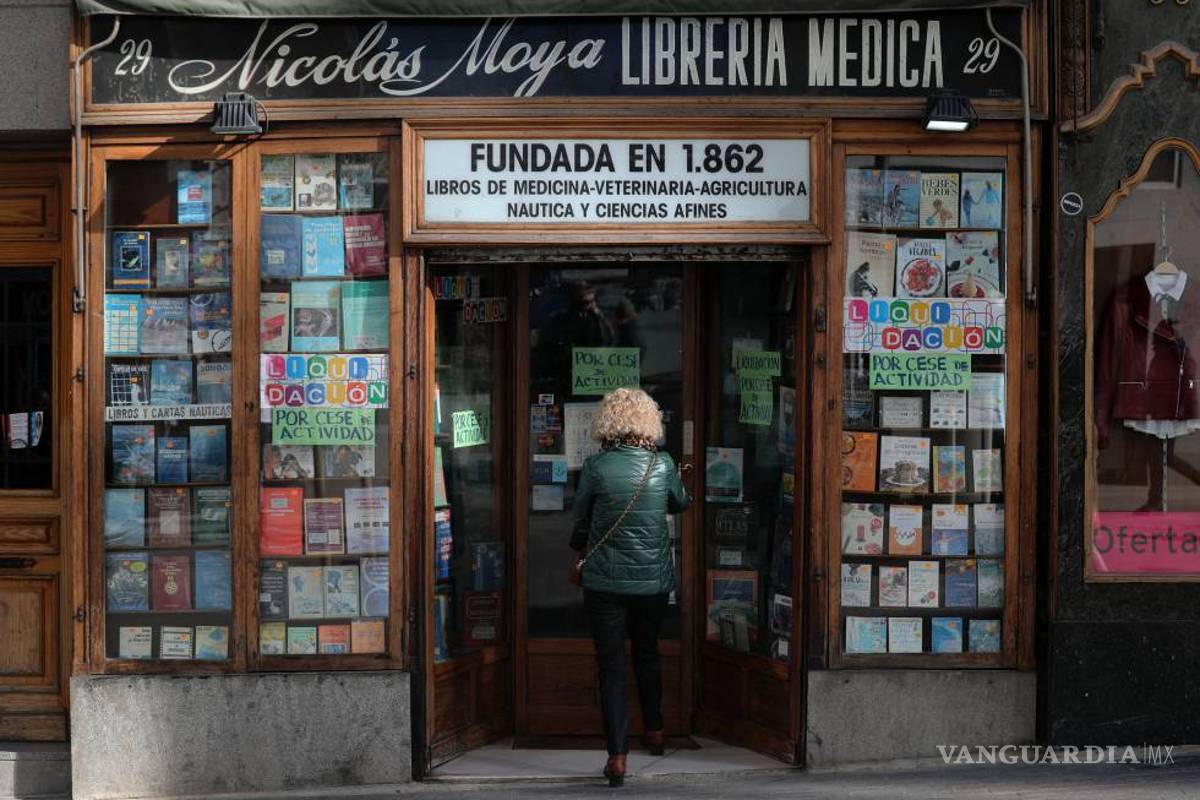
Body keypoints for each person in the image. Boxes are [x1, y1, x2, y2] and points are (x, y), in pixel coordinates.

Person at [570, 388, 691, 787]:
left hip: (604, 581)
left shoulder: (596, 466)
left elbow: (579, 515)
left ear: (608, 421)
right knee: (647, 651)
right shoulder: (662, 464)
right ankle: (654, 730)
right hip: (652, 580)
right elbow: (680, 503)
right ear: (648, 422)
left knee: (611, 665)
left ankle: (617, 756)